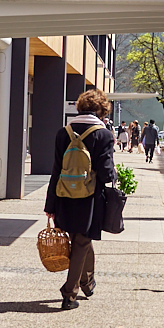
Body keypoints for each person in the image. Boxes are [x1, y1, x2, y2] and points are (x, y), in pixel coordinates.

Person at [44, 89, 116, 310]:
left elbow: (56, 170)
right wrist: (115, 177)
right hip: (90, 198)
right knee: (82, 241)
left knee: (82, 240)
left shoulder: (63, 132)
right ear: (101, 110)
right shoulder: (103, 134)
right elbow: (105, 173)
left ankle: (87, 282)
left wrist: (50, 204)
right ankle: (70, 293)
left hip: (64, 194)